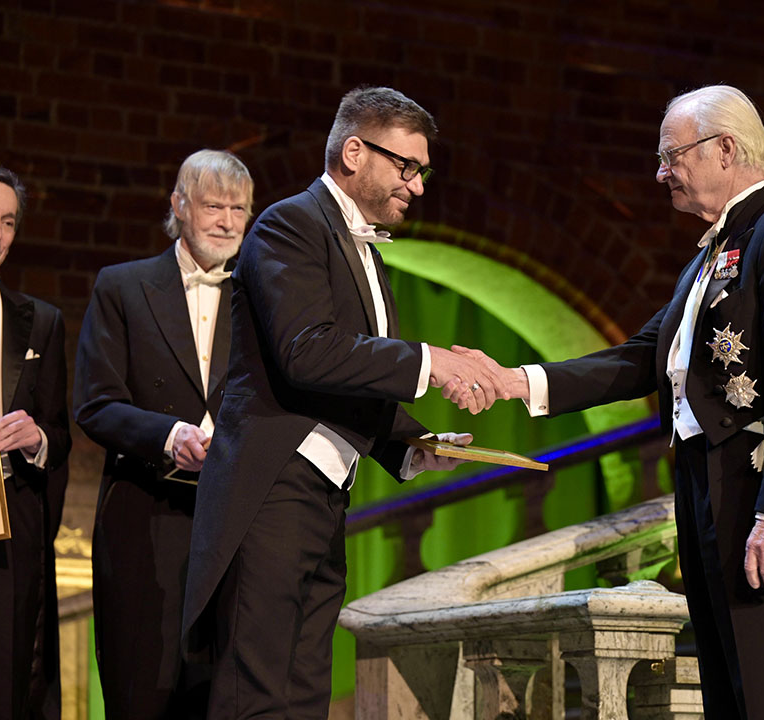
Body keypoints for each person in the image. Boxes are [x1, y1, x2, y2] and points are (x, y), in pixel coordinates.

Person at [458, 84, 764, 719]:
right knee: (731, 690)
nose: (660, 173)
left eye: (671, 155)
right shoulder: (706, 258)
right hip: (707, 488)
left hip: (762, 498)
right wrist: (516, 380)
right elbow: (636, 359)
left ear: (725, 149)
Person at [181, 86, 504, 720]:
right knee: (257, 691)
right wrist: (432, 360)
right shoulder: (289, 224)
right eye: (406, 167)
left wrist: (412, 446)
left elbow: (351, 378)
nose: (416, 185)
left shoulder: (367, 251)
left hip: (323, 497)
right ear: (354, 151)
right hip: (271, 491)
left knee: (307, 690)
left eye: (423, 172)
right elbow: (307, 351)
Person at [73, 149, 254, 719]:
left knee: (220, 693)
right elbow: (95, 403)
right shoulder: (123, 287)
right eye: (212, 206)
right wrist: (169, 435)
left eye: (239, 209)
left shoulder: (261, 296)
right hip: (143, 520)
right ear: (178, 206)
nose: (226, 221)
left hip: (233, 524)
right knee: (140, 690)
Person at [0, 166, 71, 720]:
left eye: (8, 222)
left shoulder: (41, 323)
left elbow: (60, 434)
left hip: (2, 524)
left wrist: (36, 439)